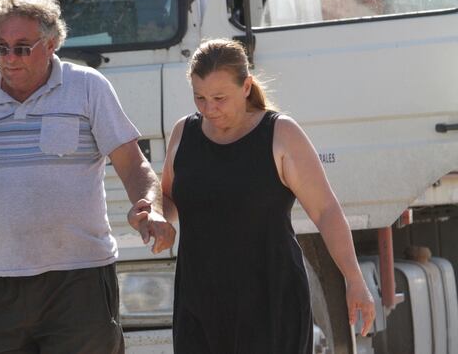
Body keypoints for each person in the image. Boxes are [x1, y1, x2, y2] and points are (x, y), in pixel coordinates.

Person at [0, 0, 175, 354]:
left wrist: (150, 207)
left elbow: (133, 163)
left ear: (53, 42)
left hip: (81, 280)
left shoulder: (88, 86)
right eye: (0, 47)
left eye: (23, 47)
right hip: (0, 283)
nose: (10, 58)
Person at [129, 39, 376, 353]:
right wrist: (154, 216)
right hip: (199, 303)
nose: (209, 109)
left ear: (246, 87)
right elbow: (169, 198)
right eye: (199, 98)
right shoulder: (184, 132)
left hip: (271, 303)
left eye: (219, 98)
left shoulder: (280, 134)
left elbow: (326, 210)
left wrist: (353, 278)